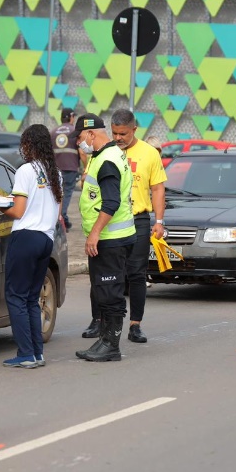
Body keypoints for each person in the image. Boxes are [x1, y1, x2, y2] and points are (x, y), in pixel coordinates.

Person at [80, 109, 166, 343]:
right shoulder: (104, 153)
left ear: (134, 130)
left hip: (137, 219)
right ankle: (98, 320)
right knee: (102, 273)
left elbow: (157, 189)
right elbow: (87, 182)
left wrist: (159, 221)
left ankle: (135, 324)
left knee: (136, 273)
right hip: (108, 219)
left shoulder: (149, 154)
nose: (118, 138)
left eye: (123, 134)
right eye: (115, 133)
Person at [70, 113, 136, 362]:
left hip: (110, 238)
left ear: (90, 133)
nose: (78, 143)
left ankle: (111, 346)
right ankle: (104, 340)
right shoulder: (105, 155)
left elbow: (111, 202)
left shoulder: (107, 159)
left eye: (79, 138)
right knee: (104, 291)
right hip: (111, 237)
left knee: (110, 293)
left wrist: (94, 234)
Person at [0, 124, 63, 369]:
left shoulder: (25, 170)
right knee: (31, 298)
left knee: (15, 297)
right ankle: (36, 352)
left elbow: (18, 211)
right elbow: (57, 211)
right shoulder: (55, 172)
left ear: (29, 144)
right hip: (46, 239)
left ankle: (25, 354)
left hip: (25, 237)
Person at [51, 108, 85, 231]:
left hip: (55, 169)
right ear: (71, 117)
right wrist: (86, 167)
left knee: (56, 194)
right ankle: (62, 217)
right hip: (70, 168)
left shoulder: (53, 132)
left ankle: (58, 216)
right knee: (67, 194)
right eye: (73, 117)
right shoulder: (74, 132)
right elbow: (82, 152)